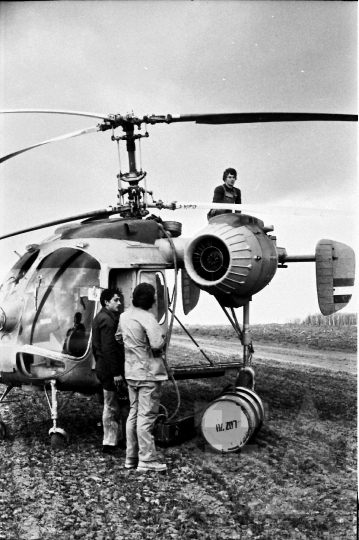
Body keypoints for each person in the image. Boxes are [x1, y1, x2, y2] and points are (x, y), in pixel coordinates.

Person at [116, 283, 167, 472]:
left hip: (131, 373)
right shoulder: (148, 317)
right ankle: (146, 460)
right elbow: (156, 344)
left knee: (133, 414)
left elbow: (119, 338)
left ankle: (131, 458)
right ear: (150, 299)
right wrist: (160, 341)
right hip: (148, 374)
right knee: (146, 417)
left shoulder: (124, 316)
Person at [92, 288, 126, 454]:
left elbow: (98, 348)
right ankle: (109, 443)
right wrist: (116, 373)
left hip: (103, 365)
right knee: (111, 404)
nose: (119, 303)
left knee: (112, 403)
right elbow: (108, 348)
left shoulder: (100, 317)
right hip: (109, 368)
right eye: (116, 300)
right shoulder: (108, 320)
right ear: (106, 302)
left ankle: (116, 439)